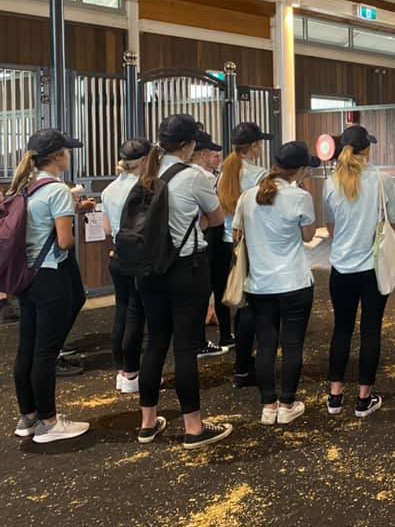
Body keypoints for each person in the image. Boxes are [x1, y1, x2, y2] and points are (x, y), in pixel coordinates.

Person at [136, 114, 232, 449]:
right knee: (186, 349)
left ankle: (147, 423)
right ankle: (193, 427)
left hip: (149, 272)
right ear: (190, 145)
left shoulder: (146, 173)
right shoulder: (193, 177)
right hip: (186, 269)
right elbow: (217, 218)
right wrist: (196, 225)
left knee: (155, 344)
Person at [7, 129, 94, 443]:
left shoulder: (25, 186)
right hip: (51, 275)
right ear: (58, 157)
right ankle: (49, 422)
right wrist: (70, 215)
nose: (69, 155)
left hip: (27, 276)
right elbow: (65, 240)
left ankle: (28, 417)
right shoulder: (57, 189)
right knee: (46, 351)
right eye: (66, 151)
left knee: (27, 348)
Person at [236, 141, 319, 426]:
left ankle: (267, 405)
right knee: (293, 344)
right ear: (300, 170)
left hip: (259, 284)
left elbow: (237, 234)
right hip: (294, 281)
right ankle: (287, 403)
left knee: (266, 344)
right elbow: (308, 236)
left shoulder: (247, 197)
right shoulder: (300, 197)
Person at [323, 125, 395, 419]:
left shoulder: (331, 183)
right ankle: (364, 399)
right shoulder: (381, 180)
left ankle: (335, 395)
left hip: (341, 266)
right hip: (372, 268)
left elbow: (330, 227)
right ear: (366, 149)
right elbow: (392, 220)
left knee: (341, 329)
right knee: (370, 330)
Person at [217, 122, 272, 383]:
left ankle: (241, 363)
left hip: (229, 241)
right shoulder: (259, 174)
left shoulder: (224, 172)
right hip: (252, 242)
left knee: (241, 300)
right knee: (253, 302)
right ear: (253, 147)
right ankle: (249, 365)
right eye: (259, 144)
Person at [100, 137, 152, 395]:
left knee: (122, 310)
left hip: (117, 256)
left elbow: (107, 228)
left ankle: (121, 370)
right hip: (138, 257)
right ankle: (132, 372)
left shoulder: (108, 190)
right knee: (136, 313)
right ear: (144, 160)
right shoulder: (144, 188)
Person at [191, 131, 230, 357]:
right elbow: (215, 216)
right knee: (213, 286)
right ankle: (211, 338)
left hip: (198, 241)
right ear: (202, 153)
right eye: (211, 152)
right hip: (208, 240)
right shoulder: (202, 178)